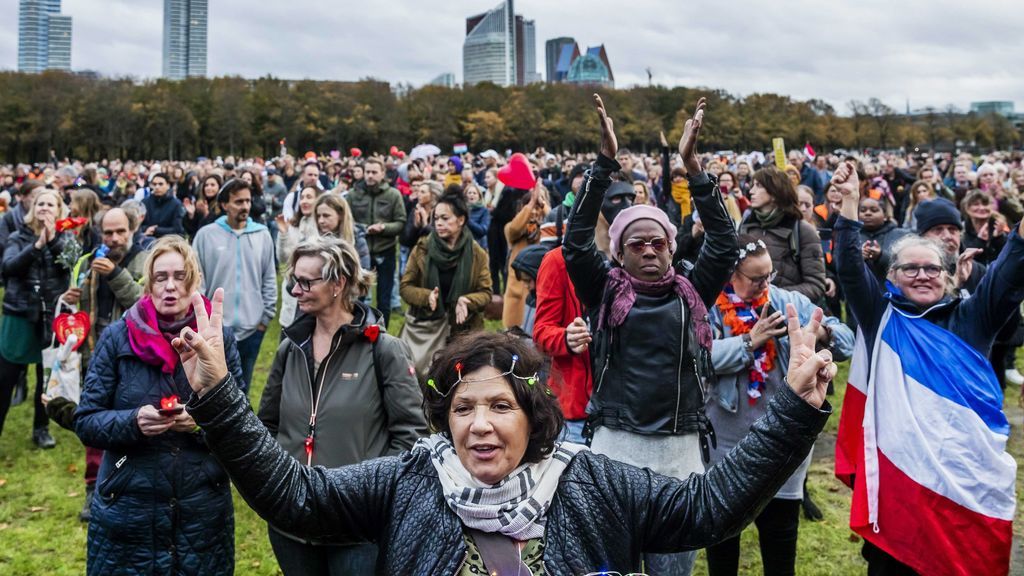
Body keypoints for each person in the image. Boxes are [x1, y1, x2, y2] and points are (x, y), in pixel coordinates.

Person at [175, 288, 834, 575]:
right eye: (464, 409)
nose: (480, 425)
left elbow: (706, 508)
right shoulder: (411, 480)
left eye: (500, 407)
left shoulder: (590, 479)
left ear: (534, 416)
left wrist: (794, 414)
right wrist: (217, 396)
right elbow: (299, 499)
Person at [564, 95, 738, 574]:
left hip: (679, 451)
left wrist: (693, 167)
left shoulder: (692, 290)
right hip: (616, 447)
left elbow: (724, 244)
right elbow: (576, 241)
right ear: (619, 253)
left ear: (670, 246)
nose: (648, 250)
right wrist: (603, 163)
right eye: (635, 243)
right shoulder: (602, 289)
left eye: (657, 242)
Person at [832, 161, 1024, 576]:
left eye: (932, 268)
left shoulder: (973, 317)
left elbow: (1011, 270)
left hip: (964, 481)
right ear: (892, 276)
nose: (922, 275)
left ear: (948, 275)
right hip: (902, 486)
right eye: (909, 269)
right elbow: (848, 267)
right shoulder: (881, 316)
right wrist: (849, 202)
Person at [74, 236, 245, 576]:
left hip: (200, 510)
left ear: (194, 281)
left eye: (180, 276)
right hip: (127, 508)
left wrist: (200, 422)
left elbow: (243, 423)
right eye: (160, 277)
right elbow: (87, 420)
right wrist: (133, 422)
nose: (170, 286)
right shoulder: (118, 337)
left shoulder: (216, 339)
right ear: (148, 283)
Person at [257, 237, 427, 575]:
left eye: (306, 282)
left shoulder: (384, 350)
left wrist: (370, 491)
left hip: (355, 525)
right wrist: (277, 486)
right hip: (292, 521)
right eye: (294, 281)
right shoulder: (290, 348)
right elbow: (266, 426)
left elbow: (411, 434)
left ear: (338, 283)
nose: (295, 291)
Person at [704, 236, 855, 576]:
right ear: (732, 273)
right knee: (722, 539)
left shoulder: (788, 302)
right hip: (727, 440)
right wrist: (750, 340)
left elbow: (847, 341)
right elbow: (699, 359)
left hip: (782, 437)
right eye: (756, 277)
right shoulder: (711, 307)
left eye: (769, 274)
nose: (765, 284)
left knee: (780, 537)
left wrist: (823, 336)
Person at [59, 207, 150, 521]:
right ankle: (93, 490)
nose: (113, 239)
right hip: (93, 358)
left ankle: (128, 489)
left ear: (132, 229)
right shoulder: (86, 262)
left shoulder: (144, 261)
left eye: (120, 232)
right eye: (107, 233)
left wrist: (114, 273)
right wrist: (70, 298)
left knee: (133, 426)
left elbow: (144, 306)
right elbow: (75, 313)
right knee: (96, 430)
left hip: (135, 361)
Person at [0, 188, 71, 448]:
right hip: (18, 315)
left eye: (50, 204)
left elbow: (71, 265)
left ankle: (41, 429)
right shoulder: (18, 237)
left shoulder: (67, 237)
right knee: (4, 378)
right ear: (32, 209)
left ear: (59, 210)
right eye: (40, 203)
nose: (44, 208)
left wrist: (52, 241)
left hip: (51, 316)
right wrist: (37, 245)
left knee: (45, 378)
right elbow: (8, 267)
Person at [192, 178, 277, 390]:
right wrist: (203, 318)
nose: (245, 206)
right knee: (213, 389)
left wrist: (264, 319)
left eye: (248, 201)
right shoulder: (206, 235)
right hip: (216, 330)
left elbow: (269, 278)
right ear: (224, 205)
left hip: (253, 328)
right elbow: (197, 280)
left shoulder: (262, 235)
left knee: (244, 389)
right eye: (239, 202)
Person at [400, 193, 492, 376]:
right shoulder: (423, 248)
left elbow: (486, 292)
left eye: (445, 218)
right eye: (435, 218)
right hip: (429, 330)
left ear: (461, 220)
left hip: (464, 333)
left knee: (458, 383)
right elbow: (405, 287)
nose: (438, 223)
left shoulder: (477, 253)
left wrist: (467, 300)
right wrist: (426, 296)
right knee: (427, 382)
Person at [739, 166, 827, 302]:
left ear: (774, 192)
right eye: (752, 186)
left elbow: (816, 285)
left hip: (787, 316)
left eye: (758, 186)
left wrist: (770, 296)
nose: (751, 191)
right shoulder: (746, 225)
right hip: (745, 315)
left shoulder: (802, 230)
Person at [348, 157, 406, 327]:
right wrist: (361, 228)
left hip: (385, 250)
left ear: (382, 174)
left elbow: (401, 222)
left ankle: (382, 335)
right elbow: (346, 221)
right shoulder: (353, 195)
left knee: (384, 298)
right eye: (367, 172)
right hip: (360, 252)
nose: (370, 176)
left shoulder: (393, 195)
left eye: (374, 172)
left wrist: (384, 227)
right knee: (358, 296)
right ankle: (356, 330)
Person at [502, 177, 550, 329]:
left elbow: (556, 224)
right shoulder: (513, 229)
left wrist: (542, 203)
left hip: (540, 293)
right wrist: (530, 205)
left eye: (538, 206)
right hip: (516, 294)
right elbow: (514, 229)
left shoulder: (549, 230)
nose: (535, 210)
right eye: (530, 206)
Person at [276, 185, 322, 329]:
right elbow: (283, 259)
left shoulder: (323, 228)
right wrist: (284, 234)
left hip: (313, 291)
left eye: (309, 197)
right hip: (292, 290)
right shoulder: (293, 227)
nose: (304, 201)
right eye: (302, 197)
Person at [858, 195, 911, 283]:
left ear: (885, 215)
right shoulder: (851, 235)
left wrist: (880, 256)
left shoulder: (901, 235)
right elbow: (838, 263)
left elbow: (908, 262)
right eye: (863, 210)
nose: (867, 213)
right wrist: (857, 257)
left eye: (874, 210)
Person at [314, 193, 371, 270]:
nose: (321, 221)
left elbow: (364, 272)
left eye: (326, 216)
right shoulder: (313, 241)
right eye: (318, 216)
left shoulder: (357, 240)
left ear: (341, 215)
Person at [141, 172, 185, 238]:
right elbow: (138, 225)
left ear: (168, 185)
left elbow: (177, 229)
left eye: (160, 184)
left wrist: (156, 230)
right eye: (154, 184)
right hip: (147, 240)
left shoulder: (176, 204)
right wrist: (147, 229)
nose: (157, 187)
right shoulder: (145, 202)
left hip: (168, 242)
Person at [183, 173, 222, 238]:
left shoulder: (223, 205)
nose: (208, 188)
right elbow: (190, 230)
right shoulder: (199, 203)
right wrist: (191, 215)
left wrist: (206, 214)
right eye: (206, 185)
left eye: (212, 185)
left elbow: (216, 229)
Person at [463, 182, 491, 249]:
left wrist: (468, 221)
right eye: (469, 193)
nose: (471, 195)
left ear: (479, 196)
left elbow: (483, 230)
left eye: (474, 193)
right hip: (463, 246)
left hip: (478, 246)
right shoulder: (461, 210)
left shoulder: (484, 211)